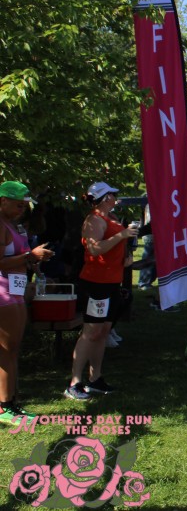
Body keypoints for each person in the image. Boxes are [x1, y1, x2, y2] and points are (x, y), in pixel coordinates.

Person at [65, 181, 138, 400]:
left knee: (103, 331)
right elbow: (94, 248)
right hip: (96, 283)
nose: (116, 197)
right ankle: (74, 383)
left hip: (112, 281)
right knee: (91, 332)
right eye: (113, 194)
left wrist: (126, 254)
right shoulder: (93, 220)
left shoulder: (111, 217)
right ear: (105, 198)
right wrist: (121, 236)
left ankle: (95, 378)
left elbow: (113, 248)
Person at [0, 182, 54, 423]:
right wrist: (30, 256)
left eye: (24, 206)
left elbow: (17, 257)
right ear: (3, 200)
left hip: (15, 289)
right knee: (6, 349)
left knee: (13, 348)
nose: (22, 210)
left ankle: (11, 401)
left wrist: (33, 259)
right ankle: (4, 407)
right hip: (3, 292)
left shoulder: (13, 225)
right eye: (19, 205)